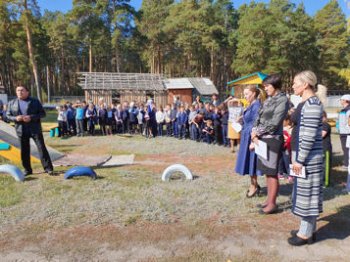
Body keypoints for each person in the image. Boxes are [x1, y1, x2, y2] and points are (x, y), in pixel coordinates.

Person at [288, 70, 325, 246]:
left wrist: (299, 160)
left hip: (308, 158)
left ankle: (305, 234)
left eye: (296, 82)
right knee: (304, 194)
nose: (293, 85)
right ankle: (307, 229)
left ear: (305, 84)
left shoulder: (313, 104)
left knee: (308, 195)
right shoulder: (306, 102)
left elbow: (309, 136)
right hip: (303, 155)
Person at [251, 74, 289, 215]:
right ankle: (268, 200)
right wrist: (254, 130)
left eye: (267, 86)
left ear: (275, 85)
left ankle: (272, 204)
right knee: (267, 171)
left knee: (272, 172)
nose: (265, 88)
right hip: (262, 139)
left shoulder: (283, 100)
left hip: (273, 140)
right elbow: (259, 117)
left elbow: (275, 122)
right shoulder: (269, 99)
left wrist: (257, 132)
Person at [6, 85, 54, 176]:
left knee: (41, 148)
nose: (20, 92)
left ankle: (48, 168)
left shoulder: (35, 101)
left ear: (27, 92)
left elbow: (42, 114)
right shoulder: (11, 103)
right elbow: (7, 116)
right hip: (21, 130)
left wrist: (31, 117)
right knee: (24, 150)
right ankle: (27, 170)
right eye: (18, 90)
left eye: (22, 90)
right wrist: (16, 118)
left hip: (35, 129)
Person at [235, 85, 262, 198]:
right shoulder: (251, 105)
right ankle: (254, 184)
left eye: (246, 94)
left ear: (254, 93)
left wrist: (253, 141)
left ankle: (254, 186)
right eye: (244, 94)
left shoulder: (257, 106)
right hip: (246, 135)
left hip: (251, 137)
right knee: (248, 163)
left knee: (252, 163)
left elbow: (257, 124)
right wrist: (241, 119)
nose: (244, 96)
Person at [338, 94, 350, 170]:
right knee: (344, 148)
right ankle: (346, 162)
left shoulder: (349, 110)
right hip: (343, 132)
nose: (340, 101)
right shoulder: (343, 110)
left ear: (346, 101)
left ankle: (347, 164)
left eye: (341, 100)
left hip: (347, 133)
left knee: (347, 148)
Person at [322, 111, 332, 187]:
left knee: (326, 166)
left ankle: (326, 182)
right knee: (321, 166)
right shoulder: (320, 125)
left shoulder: (326, 125)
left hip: (326, 148)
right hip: (321, 148)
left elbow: (322, 134)